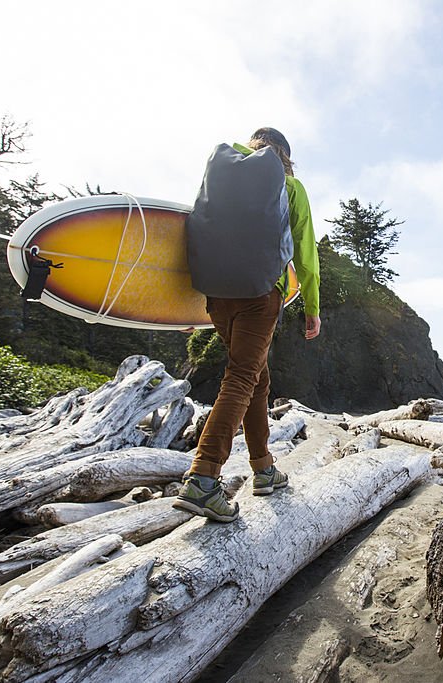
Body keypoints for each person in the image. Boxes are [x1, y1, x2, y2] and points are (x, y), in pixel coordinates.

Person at [173, 127, 321, 522]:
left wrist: (183, 307)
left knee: (258, 379)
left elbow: (193, 229)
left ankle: (264, 468)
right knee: (241, 377)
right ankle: (203, 478)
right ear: (285, 156)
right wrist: (312, 306)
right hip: (260, 294)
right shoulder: (290, 186)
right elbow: (305, 252)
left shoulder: (220, 174)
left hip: (217, 296)